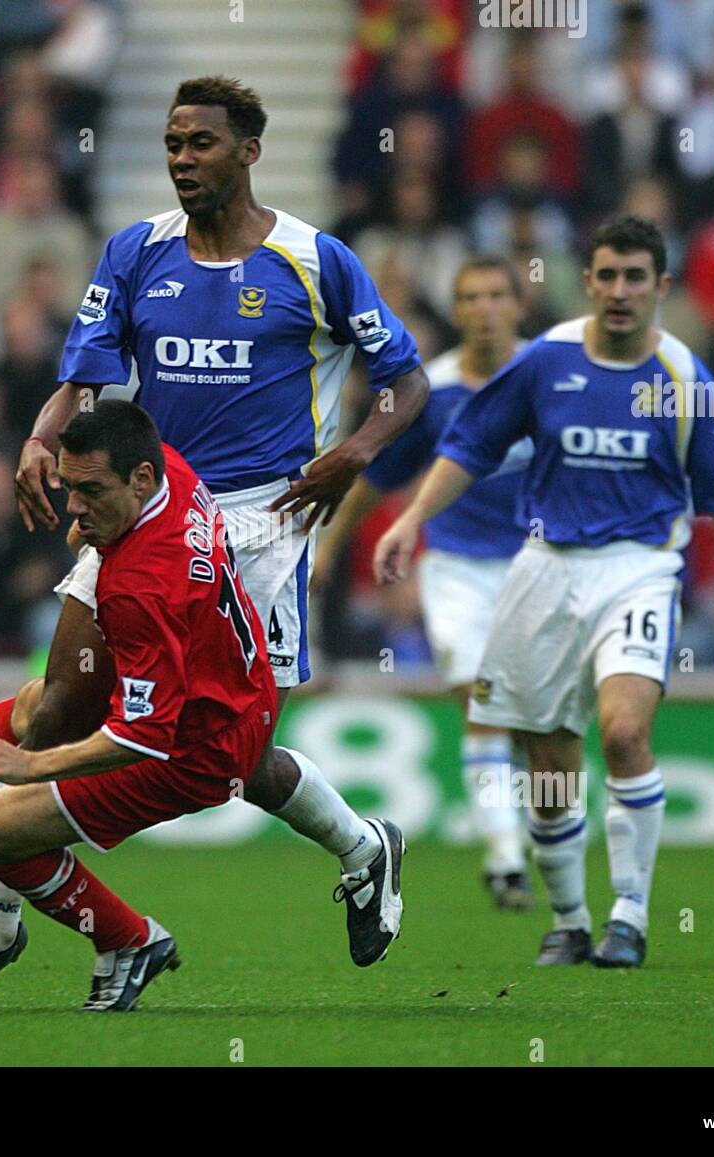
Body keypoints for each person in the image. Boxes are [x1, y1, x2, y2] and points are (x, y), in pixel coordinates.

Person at [0, 76, 426, 980]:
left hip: (264, 520)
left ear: (249, 151)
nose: (183, 160)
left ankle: (361, 848)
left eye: (201, 144)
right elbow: (83, 378)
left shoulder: (317, 260)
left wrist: (354, 454)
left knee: (231, 751)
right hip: (147, 508)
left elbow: (407, 382)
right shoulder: (137, 251)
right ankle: (0, 918)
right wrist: (40, 435)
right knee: (62, 693)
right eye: (173, 143)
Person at [0, 403, 400, 1011]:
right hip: (231, 695)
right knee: (45, 706)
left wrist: (31, 769)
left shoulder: (140, 591)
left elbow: (142, 734)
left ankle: (128, 941)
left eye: (90, 492)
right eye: (70, 488)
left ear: (138, 480)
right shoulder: (173, 472)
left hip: (193, 754)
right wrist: (91, 515)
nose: (75, 507)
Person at [374, 217, 714, 968]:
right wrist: (413, 520)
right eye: (608, 276)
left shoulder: (682, 379)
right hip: (546, 566)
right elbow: (470, 445)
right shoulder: (548, 361)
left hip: (640, 567)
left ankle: (630, 913)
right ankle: (570, 917)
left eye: (636, 278)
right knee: (549, 761)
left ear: (662, 287)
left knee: (622, 734)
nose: (621, 292)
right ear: (588, 282)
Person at [316, 256, 534, 909]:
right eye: (472, 297)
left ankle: (538, 836)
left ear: (518, 305)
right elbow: (380, 476)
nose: (486, 308)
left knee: (536, 718)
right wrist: (329, 548)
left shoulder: (550, 376)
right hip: (458, 565)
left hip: (539, 566)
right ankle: (504, 855)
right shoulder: (432, 392)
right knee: (481, 701)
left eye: (498, 295)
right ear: (457, 309)